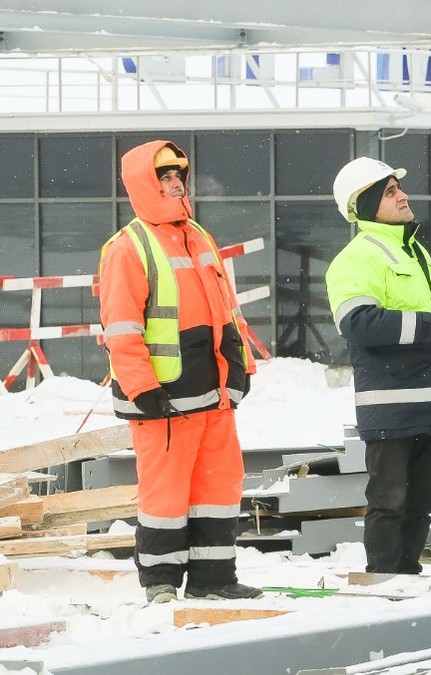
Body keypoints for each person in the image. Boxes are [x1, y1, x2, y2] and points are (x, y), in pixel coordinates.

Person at [99, 140, 260, 603]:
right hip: (163, 401)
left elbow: (228, 312)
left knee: (218, 488)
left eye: (179, 178)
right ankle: (161, 584)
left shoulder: (199, 237)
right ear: (145, 185)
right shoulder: (127, 248)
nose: (175, 185)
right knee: (165, 496)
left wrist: (242, 366)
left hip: (214, 397)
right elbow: (121, 327)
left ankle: (214, 580)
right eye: (165, 178)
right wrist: (142, 387)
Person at [325, 157, 431, 575]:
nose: (402, 195)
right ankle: (385, 578)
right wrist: (429, 329)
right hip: (391, 404)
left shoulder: (415, 252)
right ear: (368, 203)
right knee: (389, 500)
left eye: (398, 188)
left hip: (430, 400)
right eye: (390, 191)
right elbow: (357, 324)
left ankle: (407, 573)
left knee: (424, 501)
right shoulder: (358, 258)